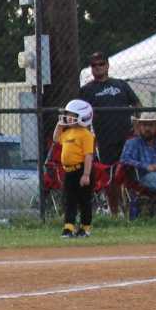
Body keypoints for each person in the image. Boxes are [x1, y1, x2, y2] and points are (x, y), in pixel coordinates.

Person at [78, 50, 140, 214]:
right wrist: (87, 135)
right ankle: (115, 212)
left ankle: (133, 210)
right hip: (105, 139)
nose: (98, 67)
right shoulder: (87, 90)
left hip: (126, 136)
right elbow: (82, 115)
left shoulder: (121, 85)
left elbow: (137, 104)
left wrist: (137, 125)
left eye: (101, 64)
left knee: (131, 172)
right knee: (111, 176)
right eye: (94, 65)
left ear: (107, 65)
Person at [52, 98, 97, 239]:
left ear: (83, 117)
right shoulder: (67, 132)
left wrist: (86, 174)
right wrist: (59, 126)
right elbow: (55, 139)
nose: (67, 117)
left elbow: (88, 155)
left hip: (82, 170)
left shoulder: (86, 135)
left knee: (84, 201)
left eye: (71, 115)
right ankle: (69, 227)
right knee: (69, 200)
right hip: (69, 172)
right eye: (68, 114)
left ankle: (85, 227)